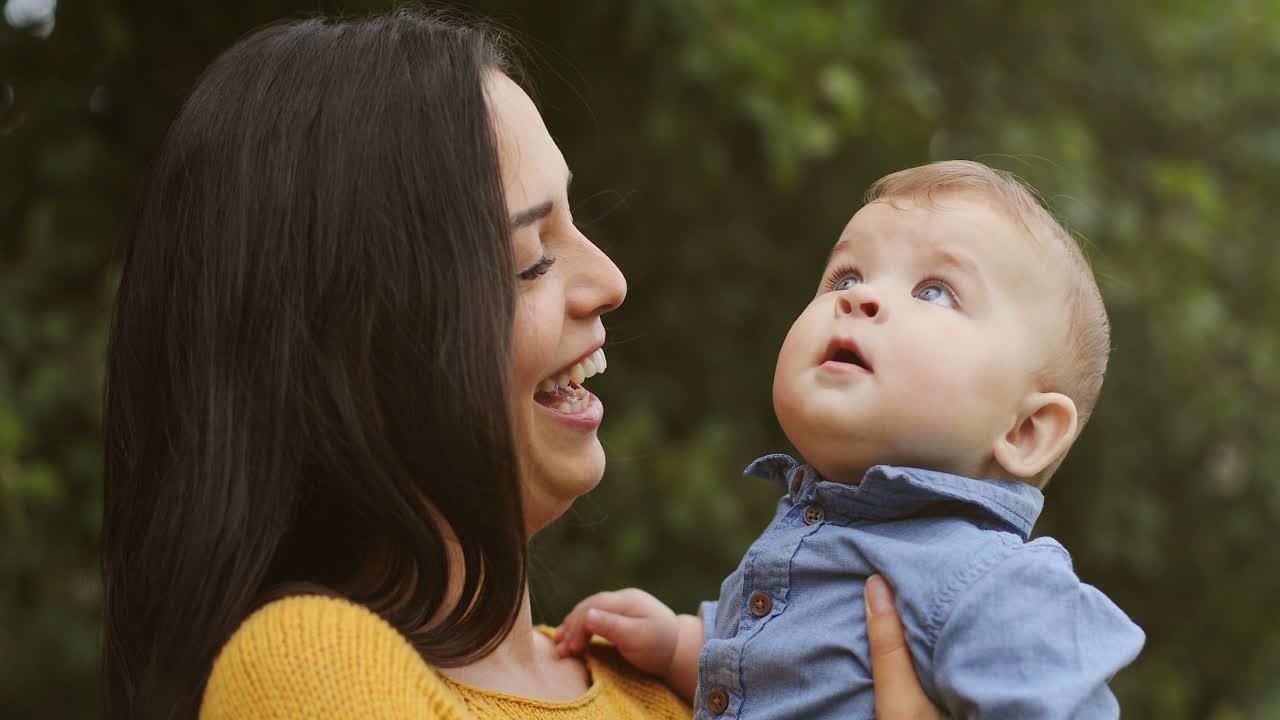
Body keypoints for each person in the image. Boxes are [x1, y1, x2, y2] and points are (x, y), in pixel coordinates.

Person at [101, 10, 937, 720]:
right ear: (358, 350)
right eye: (533, 257)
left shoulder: (667, 682)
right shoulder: (311, 668)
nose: (609, 280)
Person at [556, 161, 1145, 718]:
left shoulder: (996, 585)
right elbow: (770, 673)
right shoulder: (819, 537)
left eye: (934, 290)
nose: (857, 298)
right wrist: (678, 645)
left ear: (1024, 430)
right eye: (847, 275)